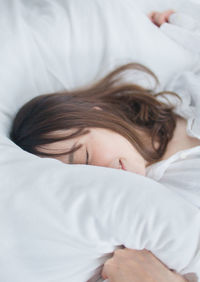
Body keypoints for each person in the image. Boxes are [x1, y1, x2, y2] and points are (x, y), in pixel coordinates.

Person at [9, 9, 200, 282]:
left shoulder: (185, 90)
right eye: (87, 179)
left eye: (85, 157)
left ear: (96, 113)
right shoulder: (159, 215)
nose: (102, 175)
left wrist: (181, 28)